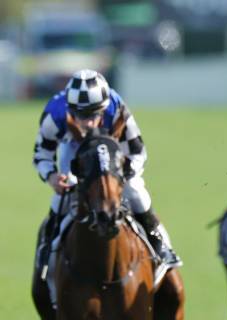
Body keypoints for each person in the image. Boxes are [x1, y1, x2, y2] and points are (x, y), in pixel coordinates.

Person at [33, 69, 182, 296]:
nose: (88, 123)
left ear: (104, 107)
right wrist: (53, 176)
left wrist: (122, 176)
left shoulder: (117, 107)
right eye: (81, 116)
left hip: (113, 158)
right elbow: (41, 154)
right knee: (59, 203)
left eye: (94, 114)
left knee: (137, 192)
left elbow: (137, 151)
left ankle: (162, 246)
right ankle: (47, 255)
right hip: (74, 155)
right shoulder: (55, 114)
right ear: (69, 109)